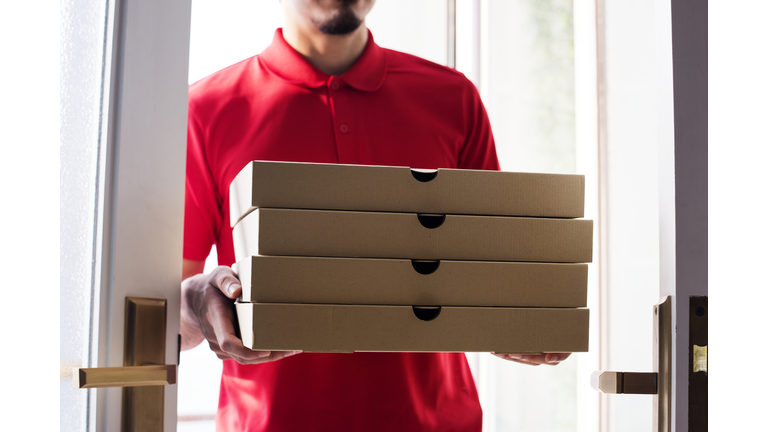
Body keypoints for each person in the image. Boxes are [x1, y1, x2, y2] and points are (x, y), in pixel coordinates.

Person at [180, 0, 571, 430]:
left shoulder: (453, 98)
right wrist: (193, 300)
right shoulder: (204, 110)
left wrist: (531, 315)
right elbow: (167, 321)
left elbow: (493, 272)